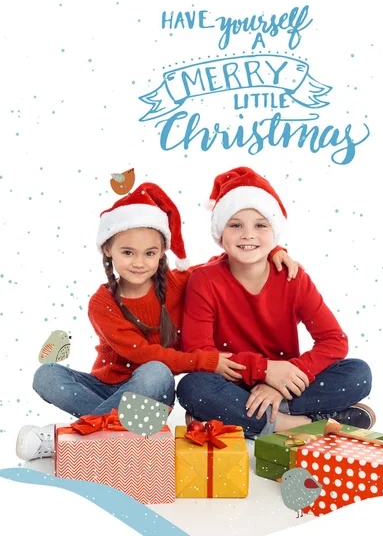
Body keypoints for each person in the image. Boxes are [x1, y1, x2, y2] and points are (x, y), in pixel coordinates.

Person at [15, 181, 296, 461]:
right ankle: (123, 432)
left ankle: (70, 438)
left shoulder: (179, 283)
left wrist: (272, 250)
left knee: (156, 372)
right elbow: (141, 352)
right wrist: (205, 361)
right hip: (107, 388)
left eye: (149, 253)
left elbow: (227, 260)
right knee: (47, 374)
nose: (139, 262)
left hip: (152, 392)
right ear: (108, 251)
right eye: (128, 252)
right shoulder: (102, 303)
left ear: (162, 253)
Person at [177, 167, 374, 439]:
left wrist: (281, 384)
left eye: (260, 225)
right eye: (235, 225)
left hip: (287, 383)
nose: (248, 234)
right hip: (232, 383)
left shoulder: (293, 277)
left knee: (358, 373)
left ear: (275, 232)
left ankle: (259, 416)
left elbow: (334, 340)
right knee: (192, 387)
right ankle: (301, 424)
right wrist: (264, 370)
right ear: (220, 234)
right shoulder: (205, 280)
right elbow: (199, 352)